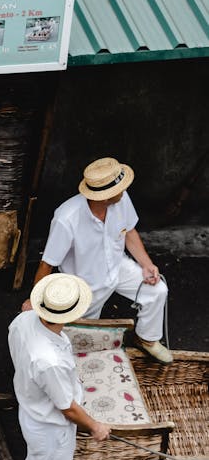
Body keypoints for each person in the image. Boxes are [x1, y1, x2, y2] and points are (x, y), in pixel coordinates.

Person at [9, 274, 110, 460]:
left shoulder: (23, 321)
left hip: (33, 413)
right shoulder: (49, 360)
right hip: (51, 426)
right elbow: (67, 408)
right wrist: (95, 427)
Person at [26, 156, 172, 363]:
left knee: (157, 290)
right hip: (85, 283)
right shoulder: (66, 218)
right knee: (81, 340)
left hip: (117, 267)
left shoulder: (121, 198)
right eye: (119, 188)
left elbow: (129, 231)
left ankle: (147, 339)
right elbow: (46, 263)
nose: (123, 190)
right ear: (104, 196)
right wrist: (37, 301)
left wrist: (147, 264)